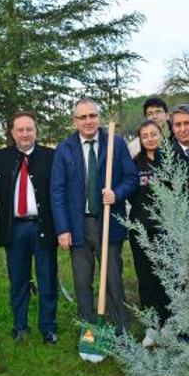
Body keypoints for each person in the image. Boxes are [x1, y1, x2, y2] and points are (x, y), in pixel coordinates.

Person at [50, 98, 138, 333]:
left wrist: (116, 194)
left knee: (113, 280)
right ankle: (89, 330)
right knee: (82, 281)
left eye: (92, 116)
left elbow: (132, 178)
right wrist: (62, 229)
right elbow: (57, 191)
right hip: (78, 225)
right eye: (82, 117)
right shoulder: (64, 148)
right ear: (74, 121)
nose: (88, 121)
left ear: (98, 117)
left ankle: (122, 329)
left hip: (107, 222)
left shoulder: (116, 144)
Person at [0, 112, 58, 343]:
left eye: (29, 129)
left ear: (36, 131)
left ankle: (48, 328)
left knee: (47, 280)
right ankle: (20, 327)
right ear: (12, 132)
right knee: (18, 280)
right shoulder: (1, 157)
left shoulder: (50, 157)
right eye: (20, 130)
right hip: (15, 229)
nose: (25, 134)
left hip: (43, 227)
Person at [128, 120, 170, 347]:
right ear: (140, 140)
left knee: (166, 276)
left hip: (167, 229)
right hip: (142, 229)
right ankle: (151, 326)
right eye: (145, 136)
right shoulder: (135, 164)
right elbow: (130, 192)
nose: (150, 138)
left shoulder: (170, 160)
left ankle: (168, 323)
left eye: (154, 134)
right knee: (146, 278)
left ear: (160, 135)